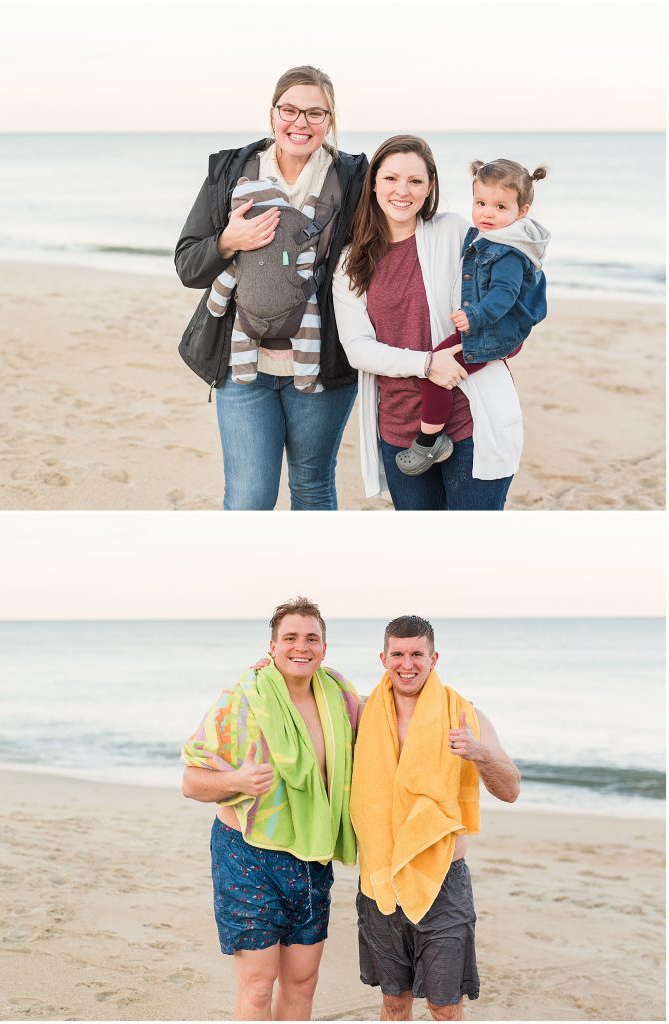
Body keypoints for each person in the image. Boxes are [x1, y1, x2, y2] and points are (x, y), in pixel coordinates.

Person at [176, 66, 368, 510]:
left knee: (313, 489)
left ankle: (311, 581)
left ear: (331, 119)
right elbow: (188, 265)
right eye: (290, 110)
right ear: (273, 113)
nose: (301, 123)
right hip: (242, 367)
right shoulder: (231, 170)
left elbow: (386, 247)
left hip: (322, 365)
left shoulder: (354, 177)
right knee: (248, 500)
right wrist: (228, 241)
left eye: (315, 113)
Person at [181, 597, 358, 1021]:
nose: (302, 646)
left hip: (310, 858)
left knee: (302, 982)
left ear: (324, 648)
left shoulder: (340, 699)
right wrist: (234, 782)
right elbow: (190, 782)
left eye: (311, 638)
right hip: (247, 855)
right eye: (291, 638)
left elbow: (392, 710)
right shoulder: (242, 700)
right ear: (273, 646)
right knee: (258, 986)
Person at [332, 135, 524, 510]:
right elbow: (357, 349)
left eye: (415, 181)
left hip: (471, 418)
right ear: (373, 183)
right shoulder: (350, 261)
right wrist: (427, 364)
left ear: (430, 186)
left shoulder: (456, 232)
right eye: (390, 179)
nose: (401, 191)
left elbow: (510, 277)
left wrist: (507, 333)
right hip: (401, 428)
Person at [350, 615, 520, 1021]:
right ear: (383, 657)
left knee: (445, 1007)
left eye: (417, 655)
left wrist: (480, 754)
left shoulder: (464, 715)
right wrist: (268, 670)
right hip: (381, 879)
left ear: (433, 657)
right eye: (398, 654)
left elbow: (510, 789)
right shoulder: (362, 712)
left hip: (444, 877)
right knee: (394, 1002)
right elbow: (308, 693)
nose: (407, 664)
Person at [396, 159, 549, 475]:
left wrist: (475, 315)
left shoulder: (508, 251)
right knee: (438, 363)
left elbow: (504, 294)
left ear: (522, 211)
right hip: (494, 328)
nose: (487, 212)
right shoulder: (489, 236)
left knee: (436, 371)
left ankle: (429, 442)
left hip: (491, 330)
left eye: (500, 206)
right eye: (480, 203)